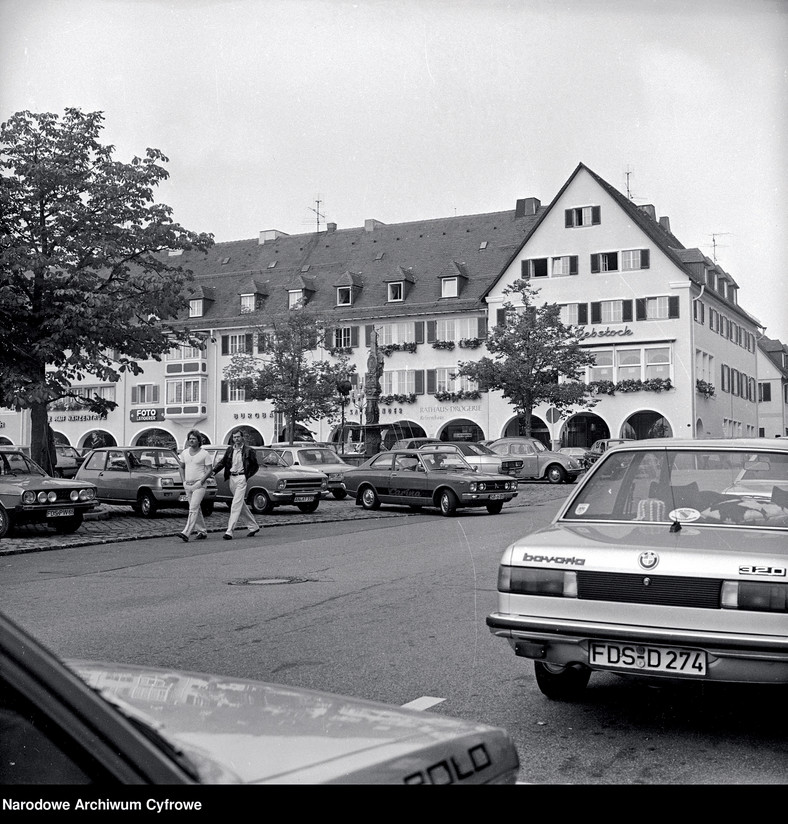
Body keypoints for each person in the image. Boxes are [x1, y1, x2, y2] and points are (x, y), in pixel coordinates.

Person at [211, 430, 260, 540]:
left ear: (242, 438)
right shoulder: (230, 450)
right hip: (232, 478)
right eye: (234, 437)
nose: (236, 439)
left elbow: (255, 466)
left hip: (241, 478)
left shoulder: (249, 451)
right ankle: (253, 526)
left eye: (238, 437)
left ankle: (229, 531)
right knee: (240, 504)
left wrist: (246, 476)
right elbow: (223, 462)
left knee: (235, 504)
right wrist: (214, 471)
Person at [176, 430, 214, 542]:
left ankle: (186, 532)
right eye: (190, 438)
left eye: (194, 438)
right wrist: (183, 481)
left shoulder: (204, 454)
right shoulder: (185, 453)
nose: (191, 440)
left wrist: (201, 481)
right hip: (188, 484)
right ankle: (202, 531)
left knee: (193, 508)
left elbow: (209, 470)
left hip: (199, 484)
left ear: (199, 440)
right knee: (196, 509)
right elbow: (181, 467)